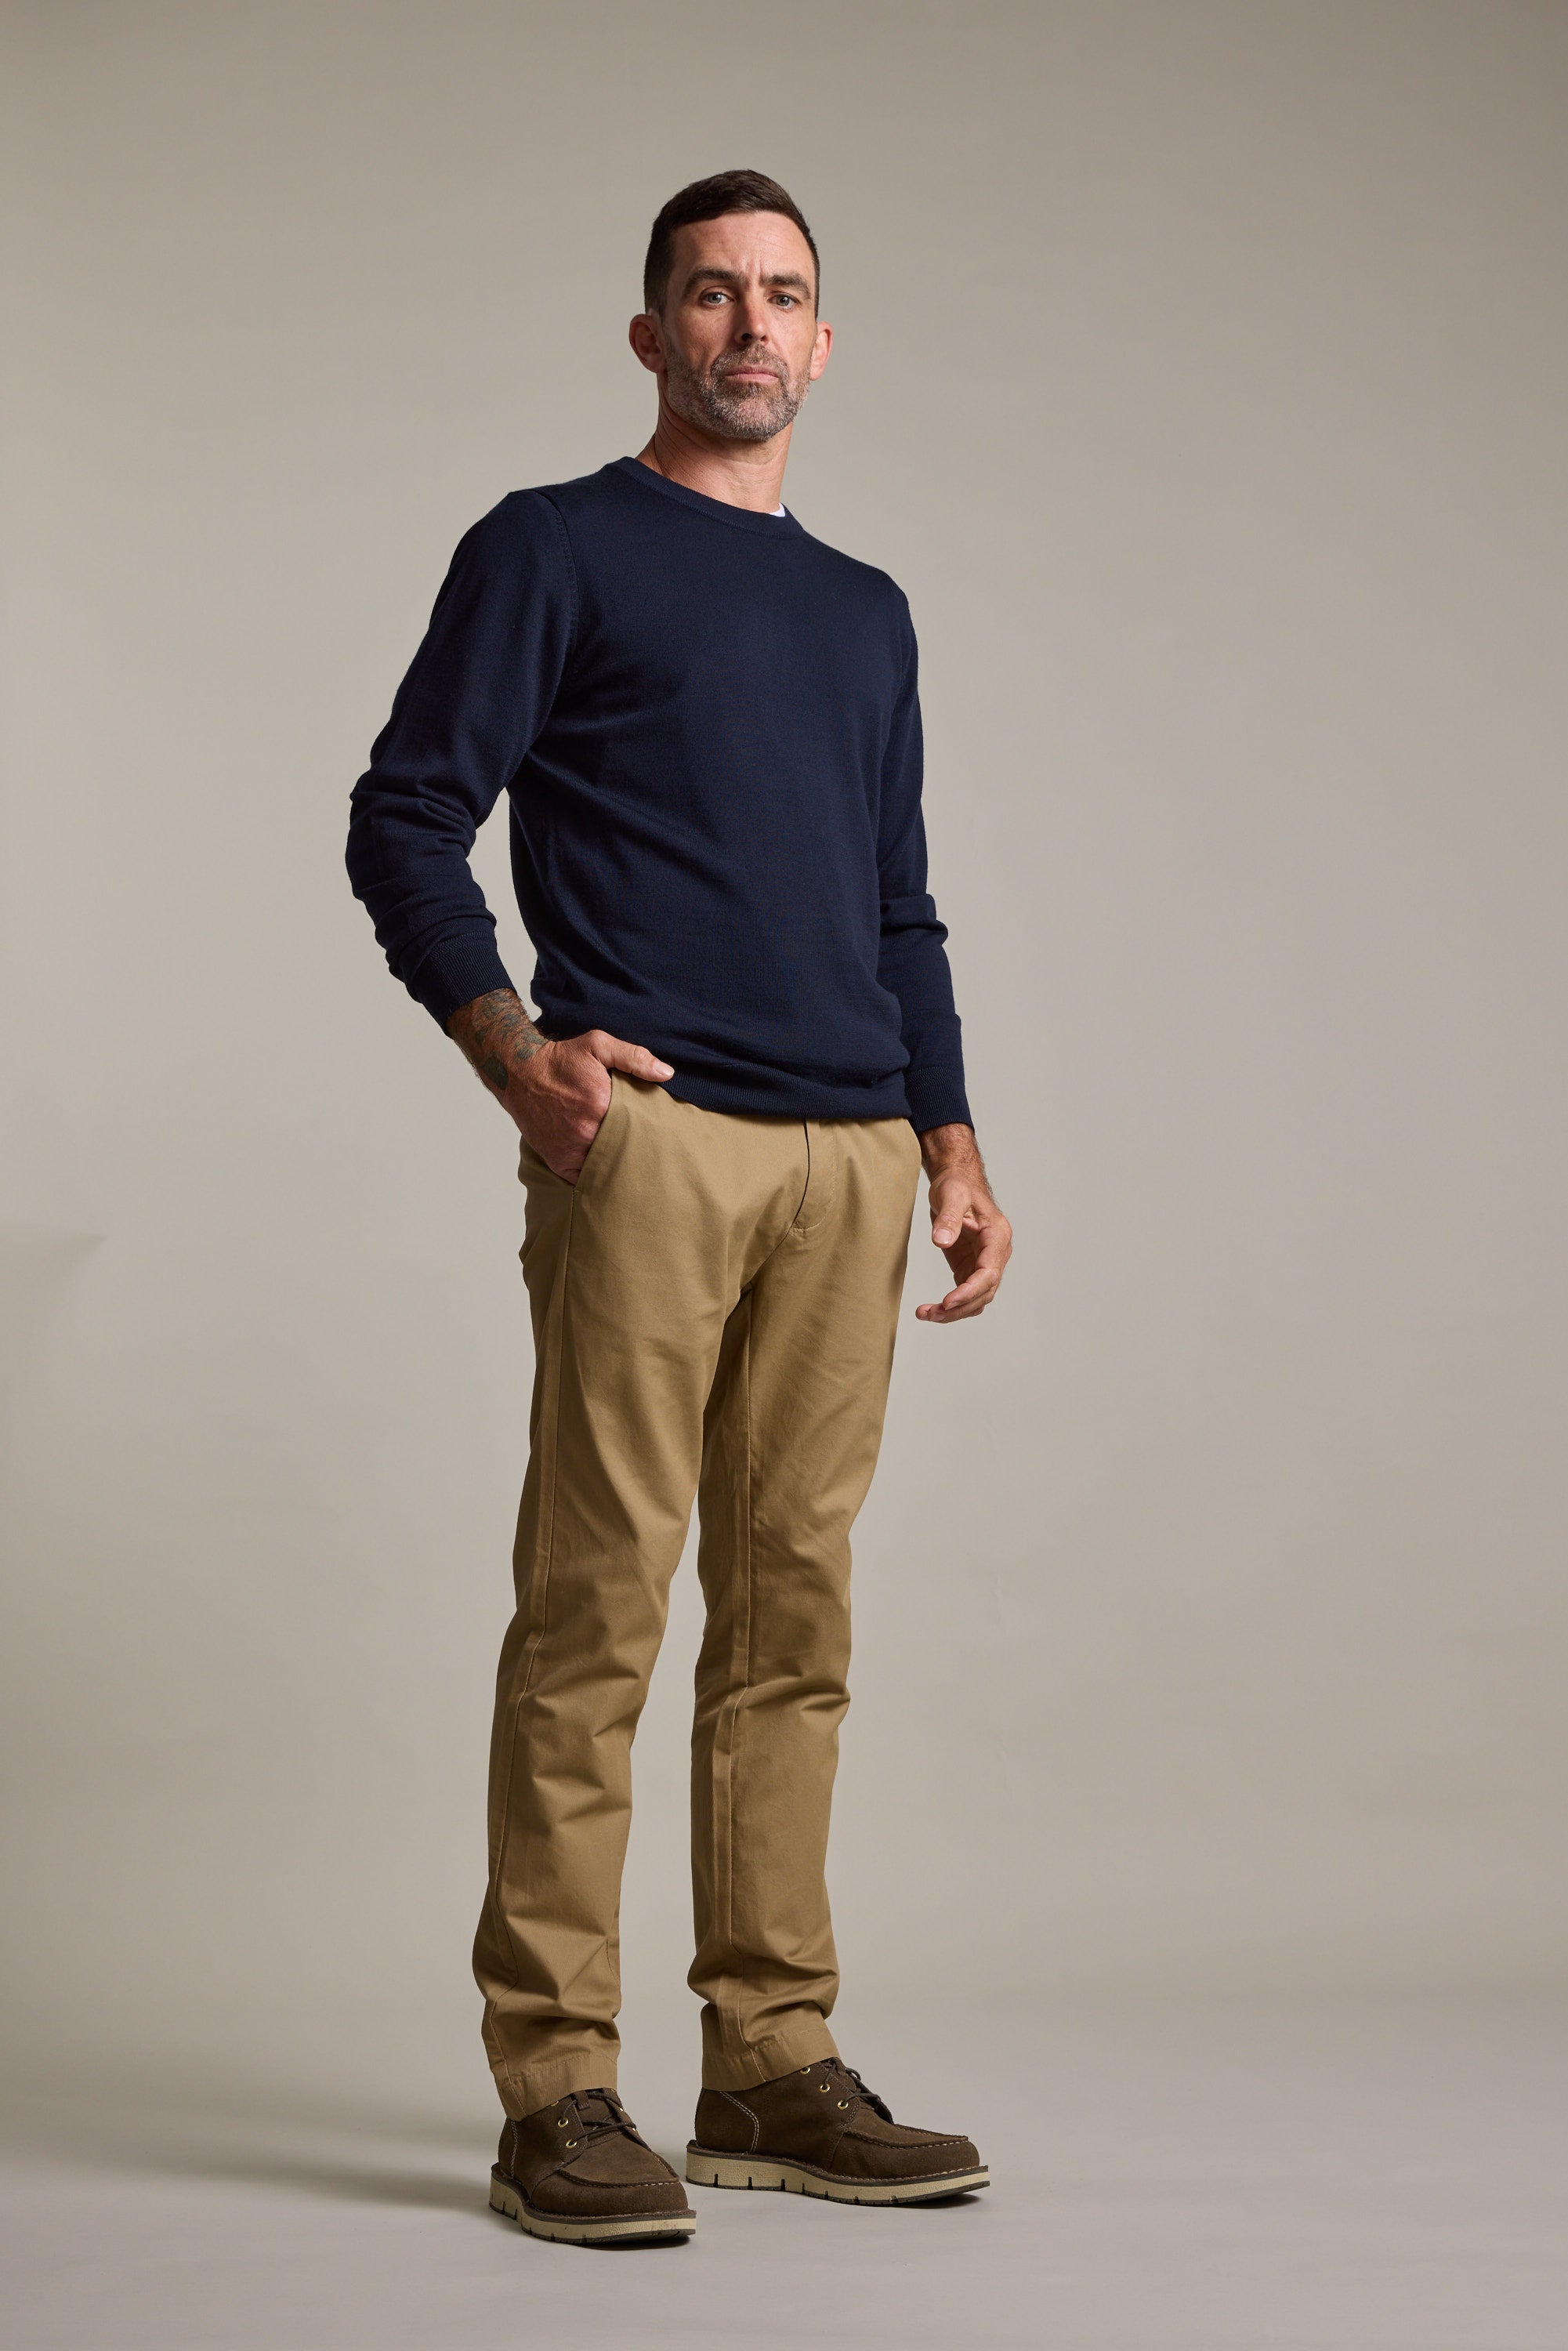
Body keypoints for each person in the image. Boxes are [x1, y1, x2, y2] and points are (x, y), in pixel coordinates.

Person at [346, 168, 1012, 2248]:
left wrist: (952, 1137)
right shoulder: (554, 547)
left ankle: (770, 2064)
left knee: (791, 1624)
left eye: (783, 296)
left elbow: (893, 897)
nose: (747, 326)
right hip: (654, 1140)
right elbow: (406, 813)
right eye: (708, 293)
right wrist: (508, 1047)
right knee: (598, 1614)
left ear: (824, 344)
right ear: (648, 334)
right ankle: (557, 2087)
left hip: (849, 1160)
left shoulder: (865, 610)